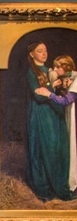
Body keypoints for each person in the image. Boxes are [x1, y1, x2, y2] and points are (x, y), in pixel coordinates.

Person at [25, 42, 71, 201]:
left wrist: (61, 86)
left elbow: (53, 92)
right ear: (32, 54)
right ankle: (44, 186)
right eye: (39, 51)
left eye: (45, 50)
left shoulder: (51, 70)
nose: (44, 53)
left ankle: (59, 184)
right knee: (46, 147)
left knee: (59, 147)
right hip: (42, 113)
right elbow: (38, 96)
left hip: (55, 111)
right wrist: (52, 85)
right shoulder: (32, 72)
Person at [35, 54, 77, 193]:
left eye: (58, 67)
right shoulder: (69, 78)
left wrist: (48, 94)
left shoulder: (75, 79)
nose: (55, 69)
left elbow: (66, 101)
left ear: (66, 68)